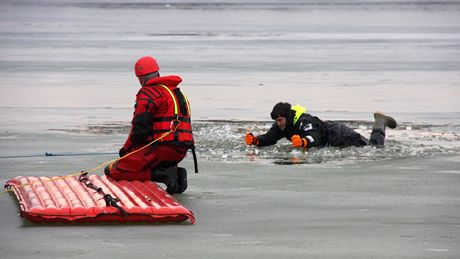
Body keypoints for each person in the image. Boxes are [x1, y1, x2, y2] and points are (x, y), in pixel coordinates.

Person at [105, 56, 197, 194]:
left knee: (114, 171)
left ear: (140, 78)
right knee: (135, 162)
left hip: (162, 150)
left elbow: (139, 129)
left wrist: (126, 150)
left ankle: (165, 175)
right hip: (180, 152)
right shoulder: (175, 92)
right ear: (157, 72)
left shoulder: (149, 93)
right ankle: (171, 171)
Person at [245, 102, 397, 149]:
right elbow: (270, 137)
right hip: (330, 140)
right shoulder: (282, 125)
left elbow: (314, 137)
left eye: (279, 120)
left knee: (374, 149)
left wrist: (304, 142)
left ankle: (380, 122)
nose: (277, 124)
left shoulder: (304, 121)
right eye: (276, 121)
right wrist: (256, 140)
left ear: (287, 117)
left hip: (339, 134)